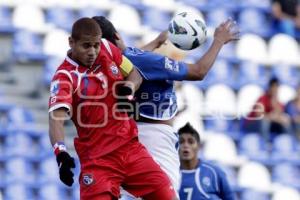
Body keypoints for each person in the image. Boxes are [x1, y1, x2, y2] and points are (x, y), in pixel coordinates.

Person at [92, 16, 239, 198]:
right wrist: (218, 40)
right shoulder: (147, 61)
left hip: (123, 138)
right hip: (154, 140)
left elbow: (129, 58)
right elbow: (199, 71)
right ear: (117, 35)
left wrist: (155, 42)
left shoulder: (103, 67)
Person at [48, 17, 178, 200]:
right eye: (86, 46)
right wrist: (60, 153)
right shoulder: (65, 77)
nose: (93, 51)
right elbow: (56, 119)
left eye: (96, 45)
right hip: (98, 162)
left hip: (131, 150)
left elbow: (134, 73)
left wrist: (129, 88)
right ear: (71, 42)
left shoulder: (108, 49)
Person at [178, 122, 235, 200]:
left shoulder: (214, 172)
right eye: (181, 142)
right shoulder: (169, 173)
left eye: (191, 142)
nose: (186, 146)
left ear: (199, 146)